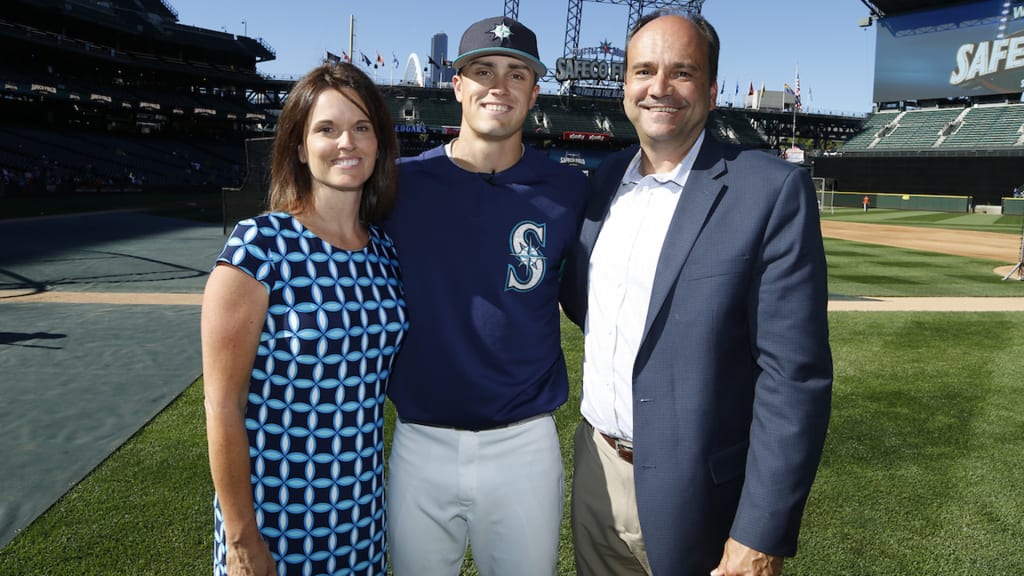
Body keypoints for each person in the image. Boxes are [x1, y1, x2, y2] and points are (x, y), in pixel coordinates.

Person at [560, 11, 833, 576]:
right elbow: (590, 307)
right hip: (597, 470)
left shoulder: (770, 189)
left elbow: (794, 376)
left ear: (710, 91)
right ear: (625, 87)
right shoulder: (604, 182)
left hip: (700, 493)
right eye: (644, 71)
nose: (659, 87)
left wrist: (760, 534)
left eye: (681, 72)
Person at [381, 15, 588, 576]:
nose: (499, 86)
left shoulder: (570, 189)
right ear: (457, 85)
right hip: (420, 439)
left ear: (534, 92)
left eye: (516, 74)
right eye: (483, 71)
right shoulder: (399, 184)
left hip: (524, 444)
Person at [201, 62, 407, 576]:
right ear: (299, 147)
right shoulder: (259, 246)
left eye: (362, 127)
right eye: (327, 129)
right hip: (274, 520)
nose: (347, 142)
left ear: (379, 143)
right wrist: (241, 539)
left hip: (361, 516)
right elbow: (222, 406)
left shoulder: (384, 251)